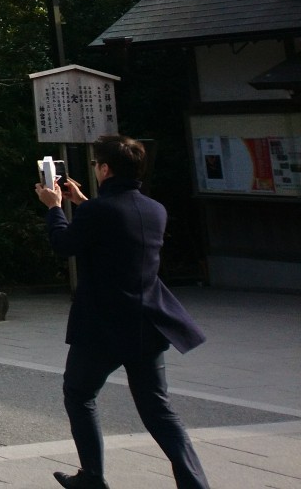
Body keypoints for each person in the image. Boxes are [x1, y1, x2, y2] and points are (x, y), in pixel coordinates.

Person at [37, 135, 209, 489]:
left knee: (79, 394)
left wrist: (54, 207)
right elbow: (116, 228)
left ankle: (93, 478)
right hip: (148, 323)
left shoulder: (98, 212)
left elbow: (64, 244)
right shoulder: (153, 209)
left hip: (103, 324)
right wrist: (81, 201)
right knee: (159, 410)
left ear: (104, 169)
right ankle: (195, 484)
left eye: (98, 164)